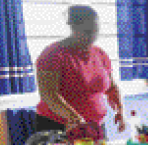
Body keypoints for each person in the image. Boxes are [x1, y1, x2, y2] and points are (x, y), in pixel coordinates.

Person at [34, 5, 125, 137]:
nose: (93, 37)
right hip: (58, 126)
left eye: (96, 31)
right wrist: (75, 118)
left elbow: (111, 87)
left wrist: (120, 110)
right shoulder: (52, 54)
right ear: (73, 28)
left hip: (95, 125)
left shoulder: (100, 54)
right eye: (87, 32)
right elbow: (49, 96)